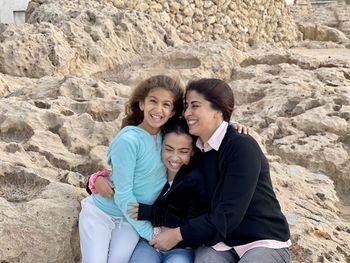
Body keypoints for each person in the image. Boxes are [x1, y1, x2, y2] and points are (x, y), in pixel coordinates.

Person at [149, 78, 292, 263]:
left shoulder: (241, 146)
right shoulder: (195, 147)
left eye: (195, 106)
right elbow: (160, 126)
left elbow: (227, 214)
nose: (187, 113)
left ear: (218, 110)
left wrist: (178, 234)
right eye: (186, 106)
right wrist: (100, 178)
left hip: (261, 238)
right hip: (219, 241)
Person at [78, 75, 184, 263]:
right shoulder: (128, 140)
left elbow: (200, 125)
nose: (158, 109)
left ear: (173, 110)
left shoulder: (167, 137)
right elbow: (123, 194)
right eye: (153, 101)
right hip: (102, 213)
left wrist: (232, 126)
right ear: (141, 104)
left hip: (129, 222)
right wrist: (150, 233)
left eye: (166, 105)